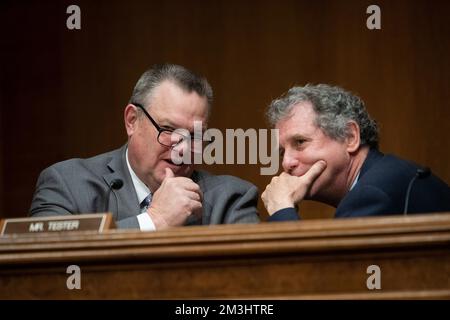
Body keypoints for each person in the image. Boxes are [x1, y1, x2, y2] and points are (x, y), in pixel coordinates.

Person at [30, 64, 259, 229]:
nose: (182, 149)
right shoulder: (69, 184)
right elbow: (45, 262)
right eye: (168, 129)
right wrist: (154, 220)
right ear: (132, 120)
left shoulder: (230, 199)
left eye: (194, 135)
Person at [261, 84, 450, 221]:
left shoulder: (371, 195)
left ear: (350, 137)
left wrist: (281, 208)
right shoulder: (382, 177)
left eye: (300, 142)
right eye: (282, 152)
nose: (286, 163)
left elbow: (317, 274)